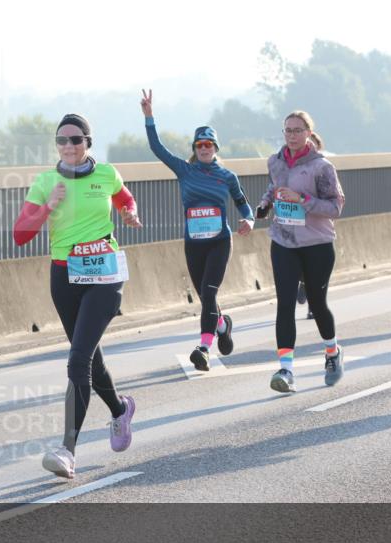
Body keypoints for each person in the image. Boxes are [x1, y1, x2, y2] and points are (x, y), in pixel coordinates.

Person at [13, 113, 142, 479]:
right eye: (61, 140)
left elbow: (125, 199)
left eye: (76, 140)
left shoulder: (107, 174)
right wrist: (48, 207)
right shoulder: (45, 182)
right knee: (88, 358)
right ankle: (119, 410)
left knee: (77, 359)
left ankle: (67, 449)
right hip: (64, 274)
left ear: (88, 142)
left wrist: (129, 213)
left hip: (104, 271)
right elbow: (20, 234)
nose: (68, 146)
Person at [139, 89, 254, 371]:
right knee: (206, 297)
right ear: (194, 148)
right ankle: (222, 324)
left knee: (209, 292)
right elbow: (157, 148)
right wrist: (149, 117)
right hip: (193, 243)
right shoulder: (184, 170)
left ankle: (203, 348)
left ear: (216, 148)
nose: (204, 148)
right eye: (199, 144)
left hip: (219, 241)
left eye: (209, 144)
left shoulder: (227, 176)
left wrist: (249, 220)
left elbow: (243, 204)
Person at [256, 111, 346, 393]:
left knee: (317, 304)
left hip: (317, 244)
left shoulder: (322, 167)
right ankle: (286, 370)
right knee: (285, 303)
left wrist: (302, 199)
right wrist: (264, 205)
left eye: (297, 130)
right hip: (284, 241)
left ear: (309, 132)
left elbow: (335, 207)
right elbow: (274, 186)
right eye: (287, 130)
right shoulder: (275, 161)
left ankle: (332, 353)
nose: (291, 135)